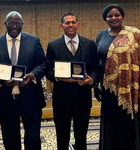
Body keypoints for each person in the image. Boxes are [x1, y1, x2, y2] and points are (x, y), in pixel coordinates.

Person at [94, 4, 140, 150]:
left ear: (122, 16)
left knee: (130, 125)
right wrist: (96, 85)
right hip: (109, 90)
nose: (114, 18)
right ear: (105, 18)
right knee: (111, 123)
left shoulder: (136, 34)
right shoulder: (101, 35)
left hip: (133, 91)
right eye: (110, 16)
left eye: (117, 15)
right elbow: (99, 61)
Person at [0, 11, 46, 150]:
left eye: (17, 23)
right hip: (4, 99)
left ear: (22, 24)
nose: (14, 26)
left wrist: (32, 75)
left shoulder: (34, 41)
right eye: (11, 23)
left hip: (31, 97)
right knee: (9, 136)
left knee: (33, 136)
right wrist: (1, 80)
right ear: (5, 24)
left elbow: (43, 64)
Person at [45, 12, 98, 150]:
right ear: (61, 25)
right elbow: (48, 69)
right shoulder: (53, 45)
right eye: (67, 23)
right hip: (61, 97)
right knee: (62, 134)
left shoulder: (90, 44)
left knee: (82, 134)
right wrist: (58, 77)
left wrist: (91, 80)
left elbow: (96, 68)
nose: (70, 25)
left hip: (83, 97)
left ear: (78, 24)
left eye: (73, 22)